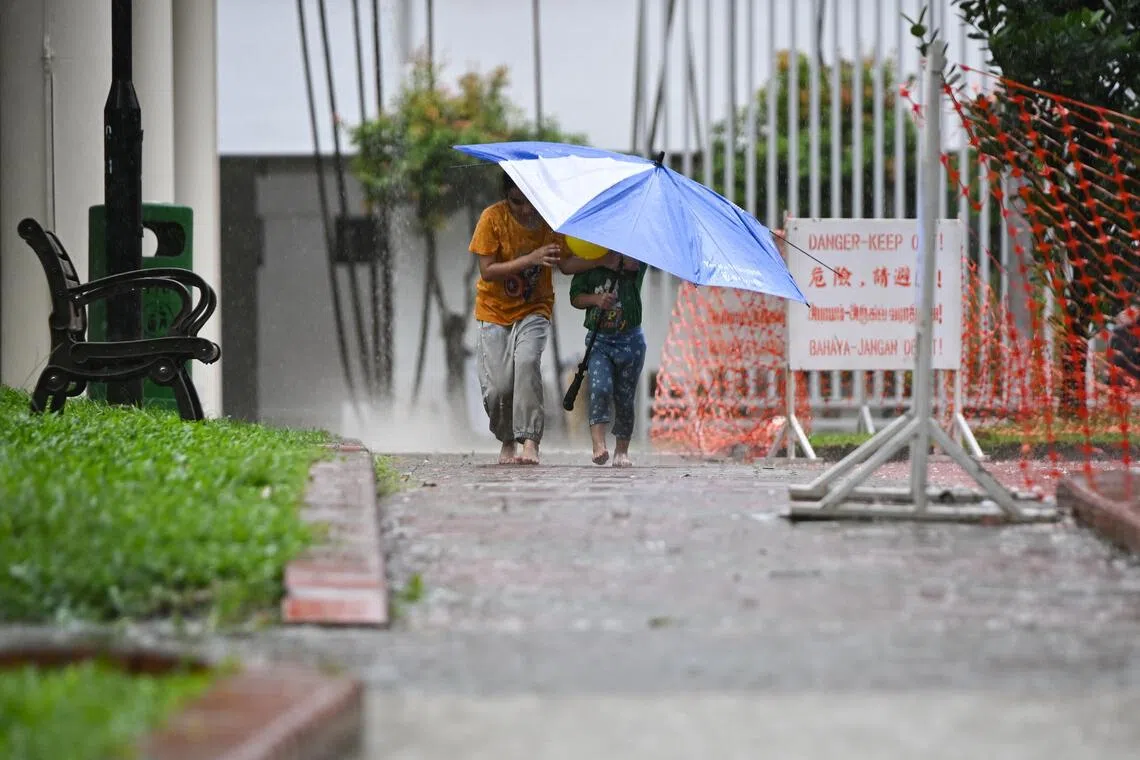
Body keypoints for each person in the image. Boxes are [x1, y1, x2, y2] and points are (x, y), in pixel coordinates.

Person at [468, 173, 604, 465]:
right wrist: (531, 259)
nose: (525, 209)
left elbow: (566, 264)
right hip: (493, 311)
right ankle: (507, 439)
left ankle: (530, 441)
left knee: (528, 363)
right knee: (498, 387)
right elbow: (487, 271)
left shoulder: (550, 223)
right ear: (506, 197)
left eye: (530, 201)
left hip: (535, 308)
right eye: (516, 202)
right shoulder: (492, 219)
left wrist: (602, 260)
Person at [569, 249, 649, 467]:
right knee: (600, 388)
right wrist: (596, 299)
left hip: (631, 341)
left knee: (625, 398)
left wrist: (626, 262)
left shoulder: (633, 257)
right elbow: (575, 297)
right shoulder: (589, 261)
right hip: (600, 341)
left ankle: (622, 451)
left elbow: (639, 265)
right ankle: (598, 444)